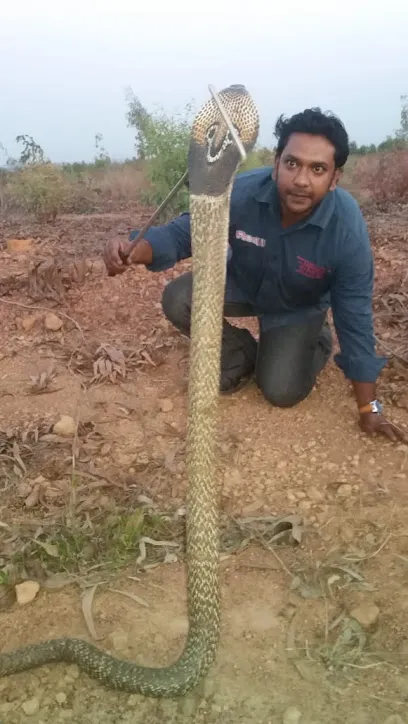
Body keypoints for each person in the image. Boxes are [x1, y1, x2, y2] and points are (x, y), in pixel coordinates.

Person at [103, 107, 406, 443]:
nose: (301, 180)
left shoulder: (346, 229)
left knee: (280, 391)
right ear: (276, 164)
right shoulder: (240, 193)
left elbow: (356, 318)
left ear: (335, 178)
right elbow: (182, 234)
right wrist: (135, 247)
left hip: (298, 307)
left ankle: (314, 339)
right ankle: (240, 353)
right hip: (244, 283)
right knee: (178, 298)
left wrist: (371, 408)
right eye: (292, 163)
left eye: (318, 169)